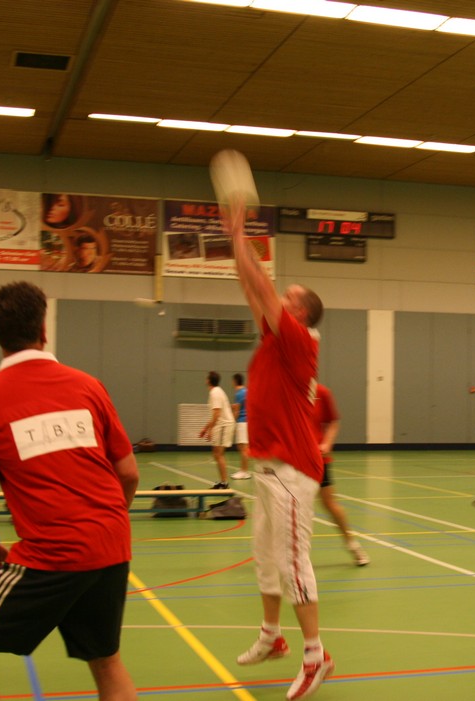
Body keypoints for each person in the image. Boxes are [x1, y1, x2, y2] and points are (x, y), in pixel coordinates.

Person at [0, 281, 140, 701]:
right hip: (112, 546)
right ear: (43, 330)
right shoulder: (89, 386)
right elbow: (128, 474)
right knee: (106, 660)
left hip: (53, 555)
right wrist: (104, 525)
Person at [221, 194, 333, 700]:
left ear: (300, 313)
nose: (278, 299)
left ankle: (315, 656)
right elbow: (252, 287)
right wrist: (236, 243)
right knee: (264, 558)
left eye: (289, 298)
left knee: (292, 562)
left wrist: (239, 234)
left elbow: (261, 286)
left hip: (291, 470)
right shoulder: (274, 338)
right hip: (268, 468)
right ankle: (272, 637)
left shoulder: (299, 340)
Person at [314, 384, 369, 567]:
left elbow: (333, 422)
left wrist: (327, 443)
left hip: (319, 459)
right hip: (293, 460)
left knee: (329, 503)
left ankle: (352, 545)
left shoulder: (322, 393)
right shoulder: (287, 392)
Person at [198, 371, 235, 489]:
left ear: (209, 380)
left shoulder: (215, 393)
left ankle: (224, 482)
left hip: (224, 424)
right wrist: (208, 430)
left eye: (206, 378)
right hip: (221, 424)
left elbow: (217, 414)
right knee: (216, 453)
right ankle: (223, 481)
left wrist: (207, 429)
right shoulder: (216, 391)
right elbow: (215, 415)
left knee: (219, 454)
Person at [230, 373, 251, 480]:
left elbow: (237, 411)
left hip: (242, 422)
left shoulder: (238, 394)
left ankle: (244, 471)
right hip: (246, 421)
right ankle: (243, 470)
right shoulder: (246, 391)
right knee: (241, 447)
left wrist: (232, 423)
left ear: (235, 381)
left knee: (243, 448)